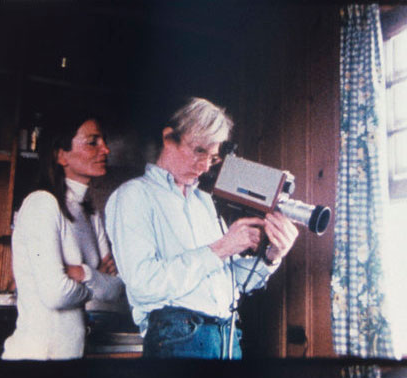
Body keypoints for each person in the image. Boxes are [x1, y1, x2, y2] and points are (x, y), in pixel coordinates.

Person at [104, 97, 300, 358]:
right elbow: (143, 283)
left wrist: (271, 257)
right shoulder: (133, 195)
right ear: (168, 138)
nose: (205, 165)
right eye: (199, 151)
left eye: (213, 157)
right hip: (179, 336)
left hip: (227, 336)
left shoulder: (205, 202)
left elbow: (231, 284)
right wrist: (221, 247)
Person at [2, 114, 125, 360]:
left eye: (104, 141)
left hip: (70, 357)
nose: (106, 149)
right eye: (93, 142)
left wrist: (83, 273)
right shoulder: (42, 205)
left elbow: (116, 289)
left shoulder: (90, 213)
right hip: (35, 358)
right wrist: (96, 280)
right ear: (61, 155)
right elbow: (55, 294)